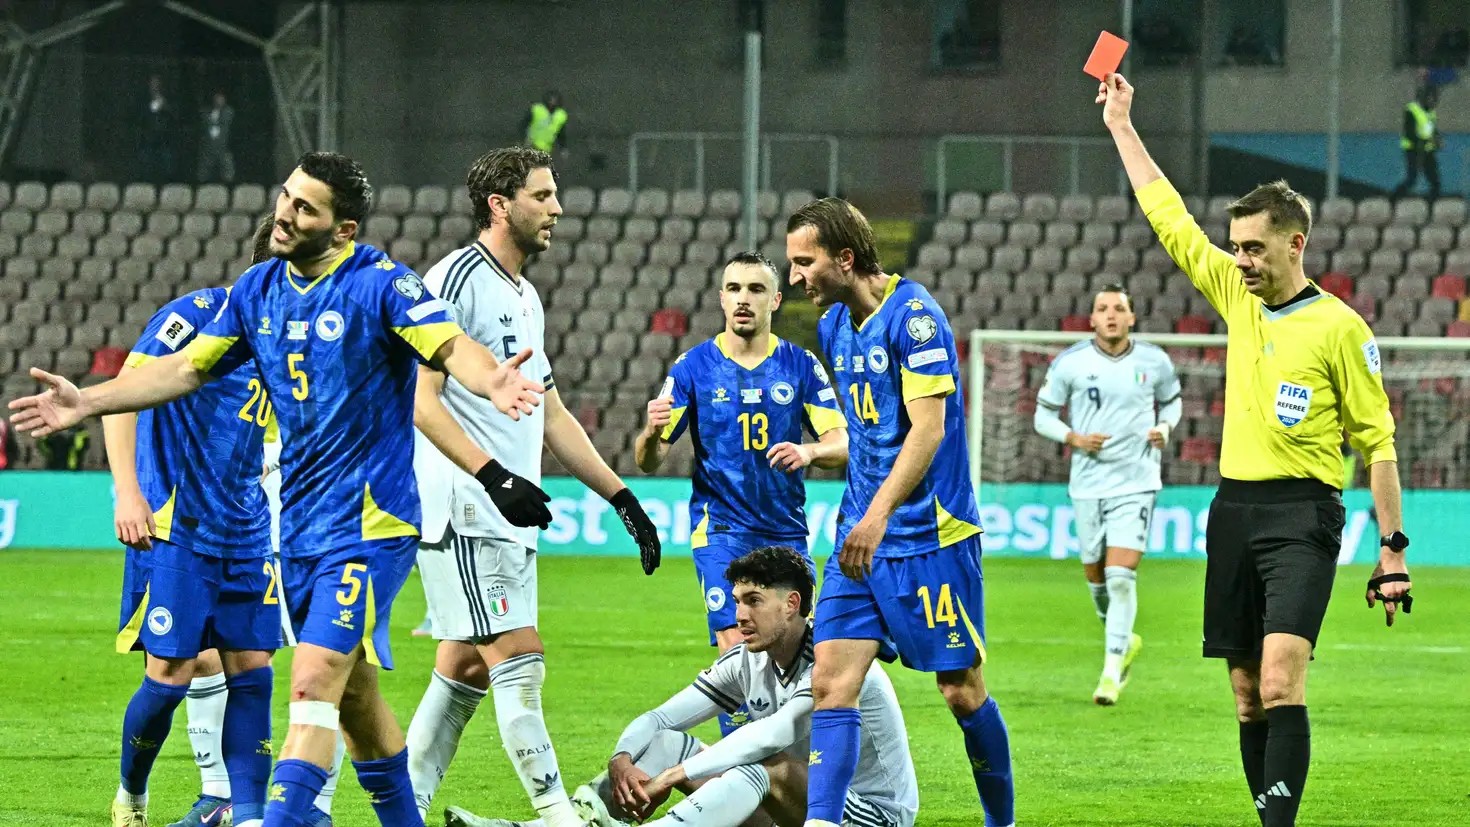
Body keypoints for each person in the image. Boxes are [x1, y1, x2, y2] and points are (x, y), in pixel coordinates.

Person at [10, 151, 546, 827]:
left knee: (310, 683)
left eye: (305, 207)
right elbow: (185, 369)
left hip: (368, 526)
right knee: (358, 707)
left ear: (344, 229)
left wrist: (491, 378)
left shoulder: (380, 285)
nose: (285, 214)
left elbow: (448, 345)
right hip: (296, 534)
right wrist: (88, 401)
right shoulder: (256, 289)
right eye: (287, 197)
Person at [1098, 72, 1414, 827]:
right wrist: (1121, 126)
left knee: (1279, 682)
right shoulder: (1236, 295)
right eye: (1235, 247)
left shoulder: (1341, 328)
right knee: (1245, 695)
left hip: (1304, 515)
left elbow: (1378, 443)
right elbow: (1169, 218)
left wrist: (1393, 550)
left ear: (1295, 243)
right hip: (1233, 510)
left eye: (1254, 248)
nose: (1239, 260)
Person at [404, 145, 663, 826]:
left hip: (505, 514)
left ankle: (403, 812)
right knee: (520, 659)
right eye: (542, 196)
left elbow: (552, 414)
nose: (557, 208)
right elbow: (422, 401)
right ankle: (558, 818)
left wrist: (622, 498)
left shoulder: (524, 295)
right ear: (500, 205)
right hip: (467, 507)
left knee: (464, 669)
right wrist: (492, 476)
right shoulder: (455, 279)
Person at [787, 198, 1014, 827]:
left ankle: (1002, 823)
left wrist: (879, 513)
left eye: (804, 262)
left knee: (960, 691)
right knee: (830, 684)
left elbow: (928, 429)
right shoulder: (833, 326)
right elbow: (869, 431)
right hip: (860, 536)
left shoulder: (915, 318)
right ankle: (823, 823)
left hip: (929, 534)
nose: (795, 277)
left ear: (845, 258)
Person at [442, 546, 918, 827]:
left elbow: (773, 735)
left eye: (754, 601)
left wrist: (674, 776)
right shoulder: (746, 660)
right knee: (668, 743)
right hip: (787, 808)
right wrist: (622, 757)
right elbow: (661, 719)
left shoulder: (835, 664)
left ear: (792, 604)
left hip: (868, 814)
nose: (739, 615)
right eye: (737, 600)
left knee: (766, 765)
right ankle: (555, 824)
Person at [633, 250, 848, 736]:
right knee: (737, 642)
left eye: (755, 289)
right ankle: (743, 764)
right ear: (721, 299)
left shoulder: (800, 366)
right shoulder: (693, 367)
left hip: (785, 530)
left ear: (776, 299)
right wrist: (650, 432)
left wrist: (810, 451)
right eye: (733, 289)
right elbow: (649, 459)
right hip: (721, 529)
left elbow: (842, 443)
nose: (743, 299)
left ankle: (787, 759)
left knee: (797, 649)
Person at [103, 280, 279, 827]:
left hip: (248, 527)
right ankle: (131, 793)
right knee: (170, 676)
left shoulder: (292, 334)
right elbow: (120, 396)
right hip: (178, 525)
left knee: (253, 672)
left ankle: (248, 815)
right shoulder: (197, 315)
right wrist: (128, 492)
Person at [1033, 283, 1182, 705]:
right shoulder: (1071, 363)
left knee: (1119, 577)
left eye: (1119, 308)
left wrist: (1165, 427)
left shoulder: (1154, 360)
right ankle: (1123, 639)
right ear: (1092, 319)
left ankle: (1111, 673)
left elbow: (1173, 403)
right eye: (1103, 308)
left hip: (1137, 479)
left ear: (1131, 317)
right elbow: (1043, 416)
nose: (1111, 314)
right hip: (1088, 483)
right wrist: (1074, 438)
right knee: (1097, 579)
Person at [1393, 84, 1441, 201]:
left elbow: (1432, 129)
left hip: (1427, 149)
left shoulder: (1431, 112)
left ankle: (1432, 204)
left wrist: (1437, 139)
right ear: (1424, 97)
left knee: (1435, 180)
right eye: (1430, 98)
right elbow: (1410, 132)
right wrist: (1425, 141)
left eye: (1435, 98)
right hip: (1413, 149)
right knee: (1411, 179)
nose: (1433, 101)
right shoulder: (1411, 110)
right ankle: (1394, 199)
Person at [141, 75, 174, 185]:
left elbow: (172, 115)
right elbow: (141, 116)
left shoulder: (166, 99)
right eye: (152, 83)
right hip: (148, 138)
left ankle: (165, 185)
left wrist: (164, 106)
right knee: (147, 165)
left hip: (164, 138)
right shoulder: (144, 99)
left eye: (156, 83)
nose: (154, 86)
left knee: (166, 165)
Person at [199, 91, 236, 184]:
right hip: (209, 147)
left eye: (220, 98)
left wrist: (214, 121)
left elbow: (225, 121)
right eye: (217, 98)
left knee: (227, 171)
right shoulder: (206, 111)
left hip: (223, 147)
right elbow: (204, 122)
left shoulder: (228, 111)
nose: (218, 100)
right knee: (204, 173)